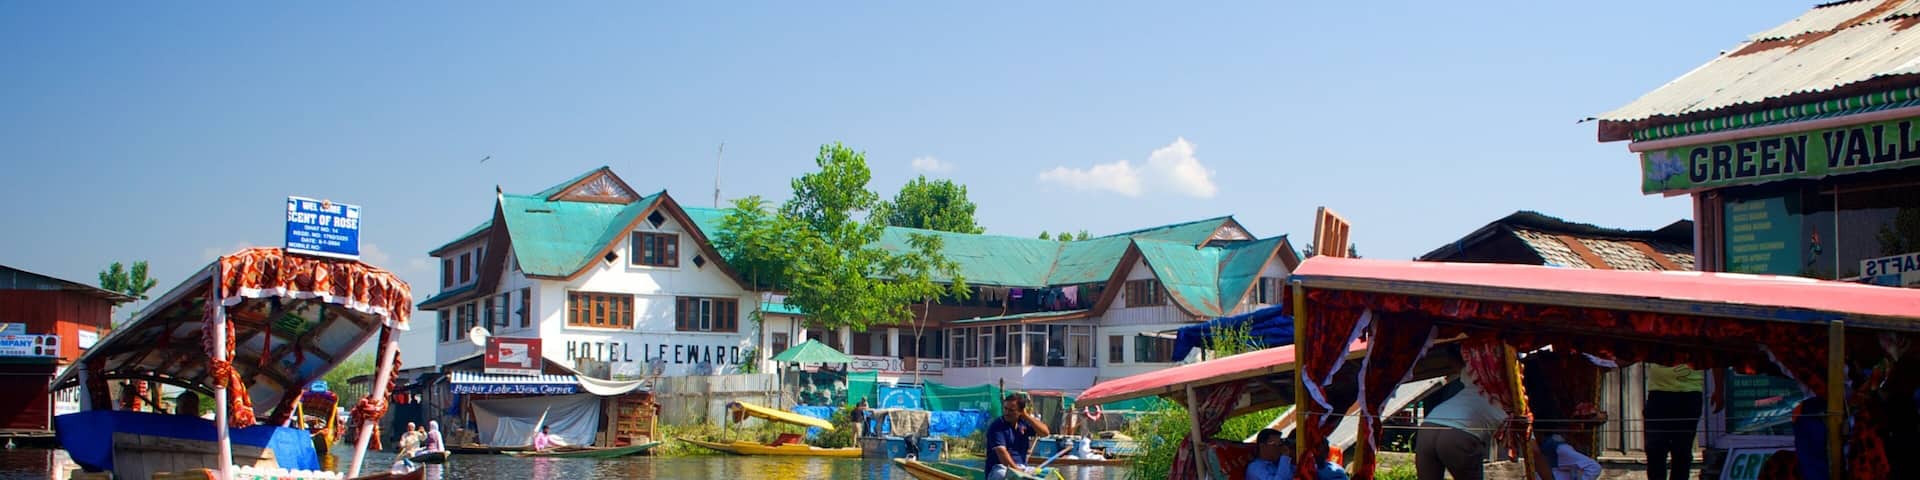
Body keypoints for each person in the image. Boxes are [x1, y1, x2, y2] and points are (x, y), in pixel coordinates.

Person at [1416, 366, 1507, 480]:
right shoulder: (1509, 405)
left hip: (1429, 425)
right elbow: (1525, 446)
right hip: (1458, 434)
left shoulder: (1474, 385)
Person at [1644, 363, 1703, 480]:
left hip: (1689, 393)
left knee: (1682, 449)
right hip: (1658, 393)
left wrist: (1719, 390)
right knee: (1655, 448)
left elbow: (1716, 359)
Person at [985, 393, 1051, 480]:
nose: (1007, 413)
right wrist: (1017, 472)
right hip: (1000, 468)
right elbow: (1002, 453)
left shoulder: (1023, 423)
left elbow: (1045, 433)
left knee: (1049, 475)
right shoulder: (997, 426)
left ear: (1020, 411)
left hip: (1022, 467)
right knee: (1003, 475)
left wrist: (1026, 416)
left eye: (1011, 410)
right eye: (1005, 409)